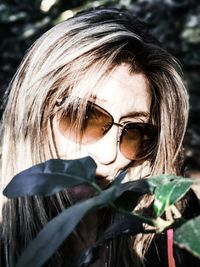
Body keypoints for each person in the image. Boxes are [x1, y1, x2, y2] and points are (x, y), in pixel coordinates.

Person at [0, 7, 199, 267]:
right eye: (84, 117)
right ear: (34, 111)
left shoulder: (171, 219)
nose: (109, 155)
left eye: (134, 131)